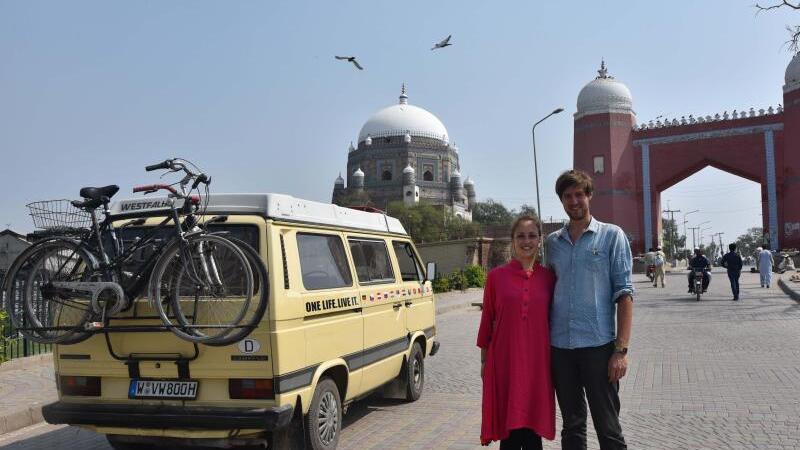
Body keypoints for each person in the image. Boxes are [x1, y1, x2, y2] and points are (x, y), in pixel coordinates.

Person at [545, 169, 633, 450]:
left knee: (608, 428)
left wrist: (620, 351)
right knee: (572, 427)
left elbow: (625, 294)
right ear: (561, 201)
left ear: (589, 196)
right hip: (561, 348)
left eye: (579, 195)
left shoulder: (611, 236)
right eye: (567, 196)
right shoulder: (552, 244)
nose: (574, 201)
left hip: (598, 347)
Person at [477, 214, 557, 449]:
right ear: (512, 240)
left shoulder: (550, 279)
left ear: (540, 240)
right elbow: (487, 320)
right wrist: (484, 361)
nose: (527, 241)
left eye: (532, 235)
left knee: (533, 431)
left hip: (538, 365)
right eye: (520, 236)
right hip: (505, 362)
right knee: (509, 433)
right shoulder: (495, 278)